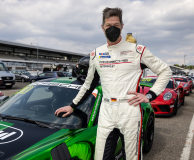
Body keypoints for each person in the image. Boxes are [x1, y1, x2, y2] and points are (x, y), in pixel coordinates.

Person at [55, 7, 172, 160]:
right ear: (102, 27)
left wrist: (149, 96)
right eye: (109, 26)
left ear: (122, 26)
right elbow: (88, 85)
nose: (112, 29)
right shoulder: (96, 54)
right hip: (106, 111)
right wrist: (72, 105)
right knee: (101, 157)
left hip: (129, 109)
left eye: (116, 25)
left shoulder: (138, 51)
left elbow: (165, 71)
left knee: (132, 157)